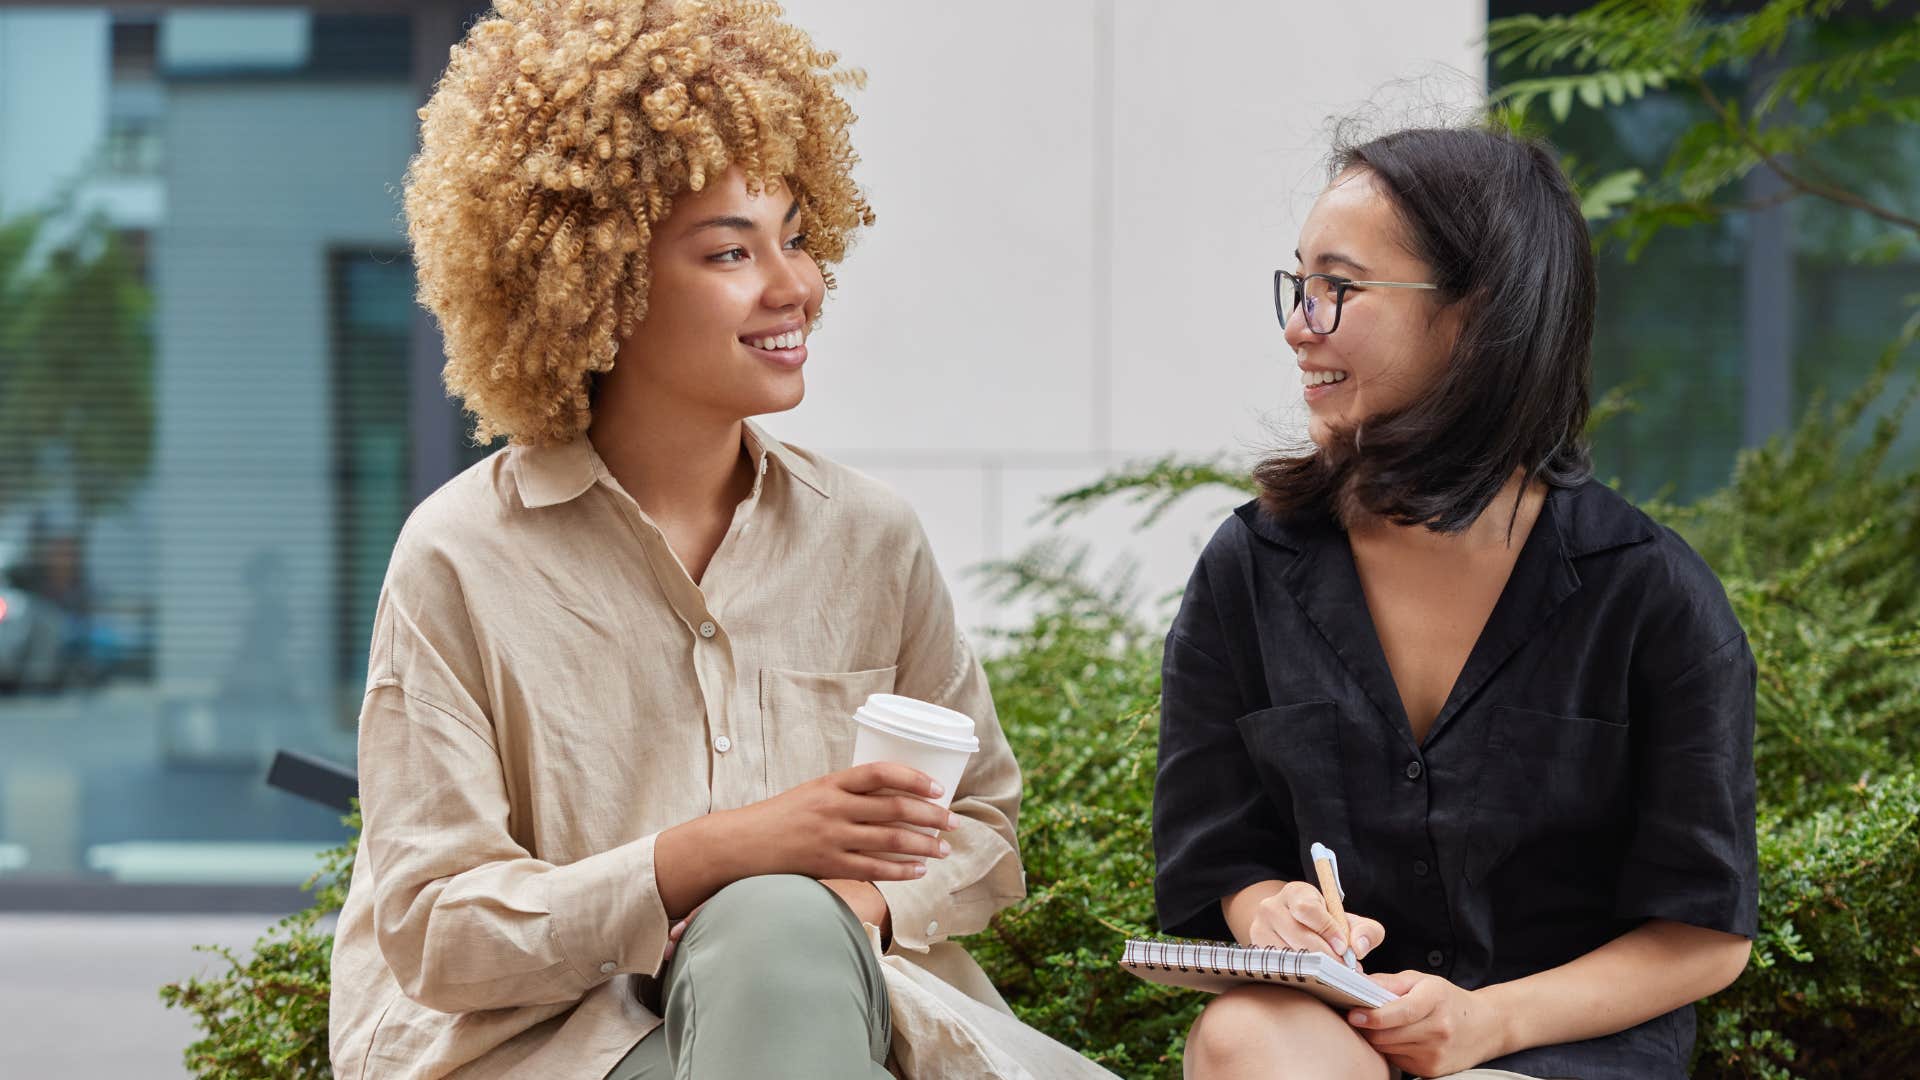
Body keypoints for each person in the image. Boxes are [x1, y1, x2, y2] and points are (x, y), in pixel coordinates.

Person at [327, 3, 1110, 1077]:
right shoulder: (460, 558)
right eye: (731, 251)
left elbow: (979, 830)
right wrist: (716, 859)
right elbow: (434, 930)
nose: (795, 286)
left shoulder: (870, 541)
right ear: (598, 283)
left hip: (841, 1020)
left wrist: (856, 902)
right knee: (768, 914)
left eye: (795, 236)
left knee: (779, 930)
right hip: (559, 1048)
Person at [1152, 125, 1758, 1080]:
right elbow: (1214, 851)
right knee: (1242, 1038)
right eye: (1298, 285)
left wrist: (1488, 1023)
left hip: (1557, 1053)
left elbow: (1704, 932)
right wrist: (1271, 910)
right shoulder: (1250, 567)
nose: (1298, 324)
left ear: (1478, 315)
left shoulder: (1651, 596)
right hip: (1336, 1039)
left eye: (1337, 288)